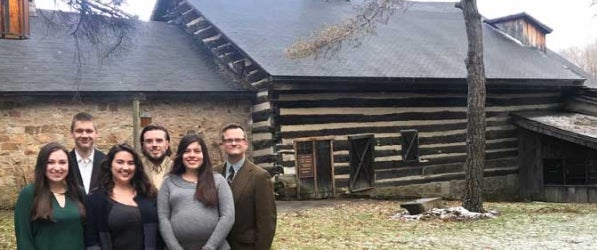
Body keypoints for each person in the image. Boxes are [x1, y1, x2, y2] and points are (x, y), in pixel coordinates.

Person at [158, 134, 235, 250]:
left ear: (203, 155)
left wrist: (210, 247)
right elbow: (163, 218)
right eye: (187, 151)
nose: (192, 155)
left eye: (197, 151)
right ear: (181, 155)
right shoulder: (168, 182)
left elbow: (228, 216)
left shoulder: (218, 180)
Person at [85, 143, 163, 250]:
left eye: (130, 163)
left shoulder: (149, 194)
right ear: (110, 165)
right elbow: (92, 241)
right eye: (120, 162)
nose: (125, 167)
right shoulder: (96, 199)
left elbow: (160, 235)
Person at [214, 123, 276, 250]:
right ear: (223, 145)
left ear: (246, 144)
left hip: (245, 246)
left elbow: (266, 223)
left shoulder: (260, 176)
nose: (233, 143)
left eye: (238, 140)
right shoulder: (214, 173)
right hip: (217, 244)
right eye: (229, 140)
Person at [14, 142, 86, 250]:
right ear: (42, 165)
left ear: (69, 165)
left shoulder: (78, 192)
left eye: (62, 162)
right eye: (50, 162)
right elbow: (24, 239)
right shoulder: (29, 194)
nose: (57, 168)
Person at [69, 112, 106, 194]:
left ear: (96, 133)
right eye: (79, 131)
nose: (84, 136)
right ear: (72, 133)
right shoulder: (65, 162)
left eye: (89, 131)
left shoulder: (107, 162)